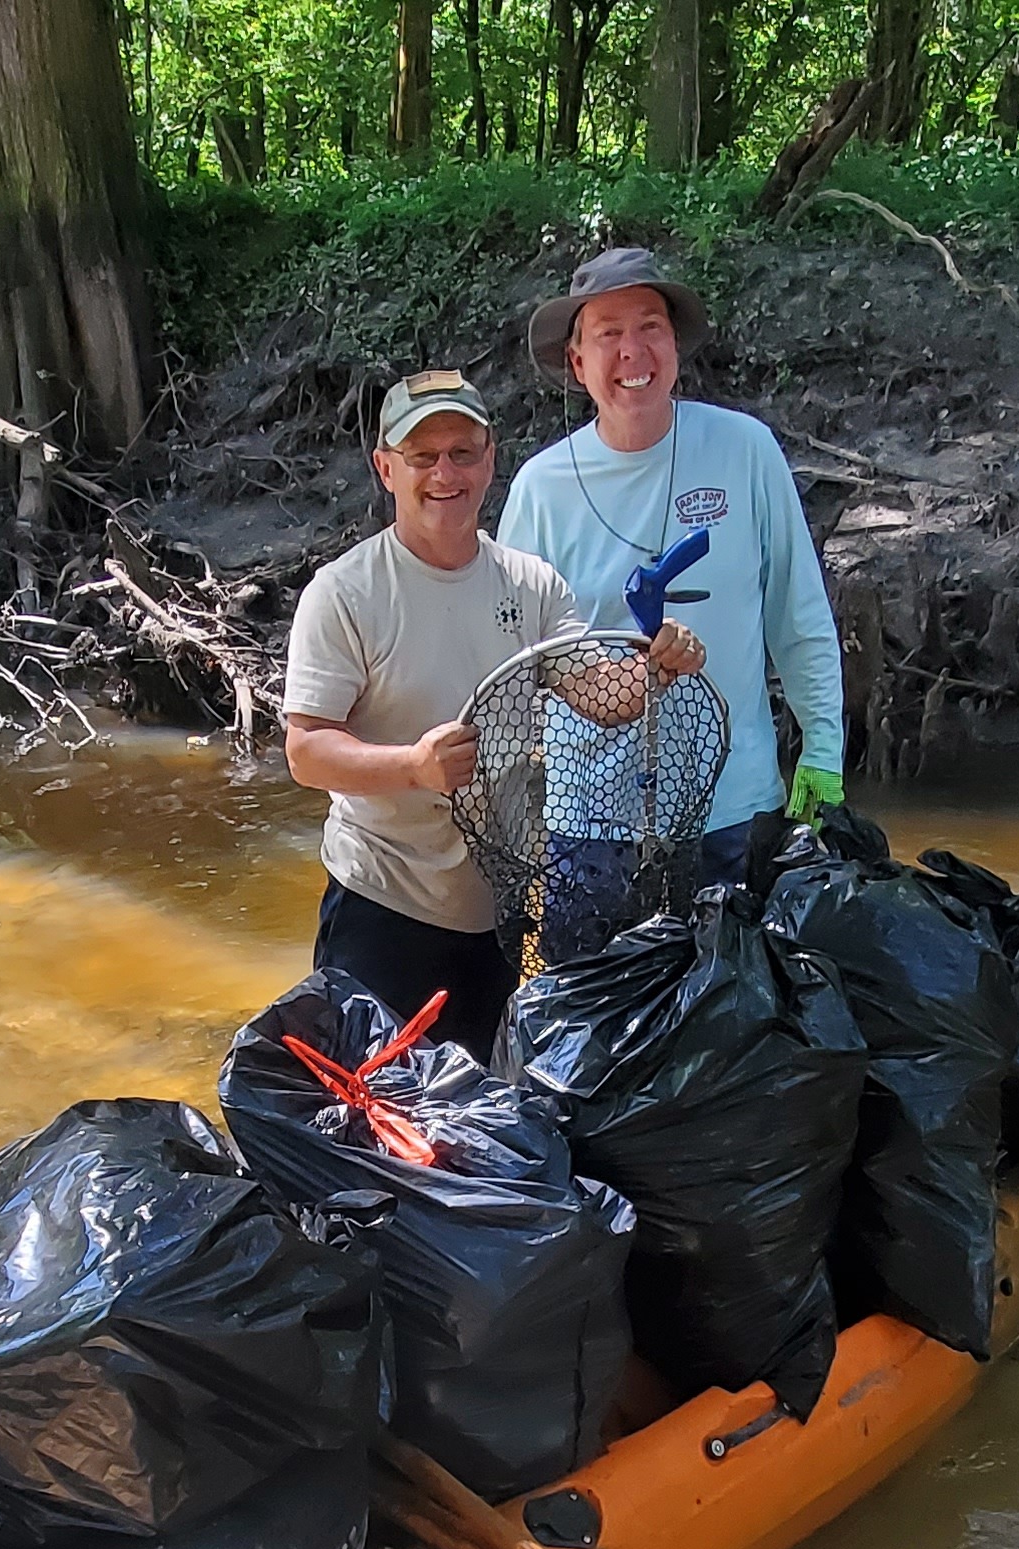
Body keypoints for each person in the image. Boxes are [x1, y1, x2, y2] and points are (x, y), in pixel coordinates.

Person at [285, 369, 705, 1056]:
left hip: (496, 914)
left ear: (490, 460)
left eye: (462, 453)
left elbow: (602, 698)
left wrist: (656, 665)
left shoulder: (532, 584)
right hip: (381, 903)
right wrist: (413, 767)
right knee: (369, 1117)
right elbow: (305, 752)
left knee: (473, 1112)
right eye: (423, 458)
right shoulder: (344, 593)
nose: (444, 474)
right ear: (386, 469)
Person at [502, 247, 850, 897]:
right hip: (590, 822)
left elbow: (797, 617)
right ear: (578, 363)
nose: (633, 351)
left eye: (650, 327)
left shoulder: (745, 451)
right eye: (608, 334)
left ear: (676, 346)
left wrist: (823, 751)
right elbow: (518, 660)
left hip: (734, 808)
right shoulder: (539, 489)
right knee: (588, 999)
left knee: (736, 995)